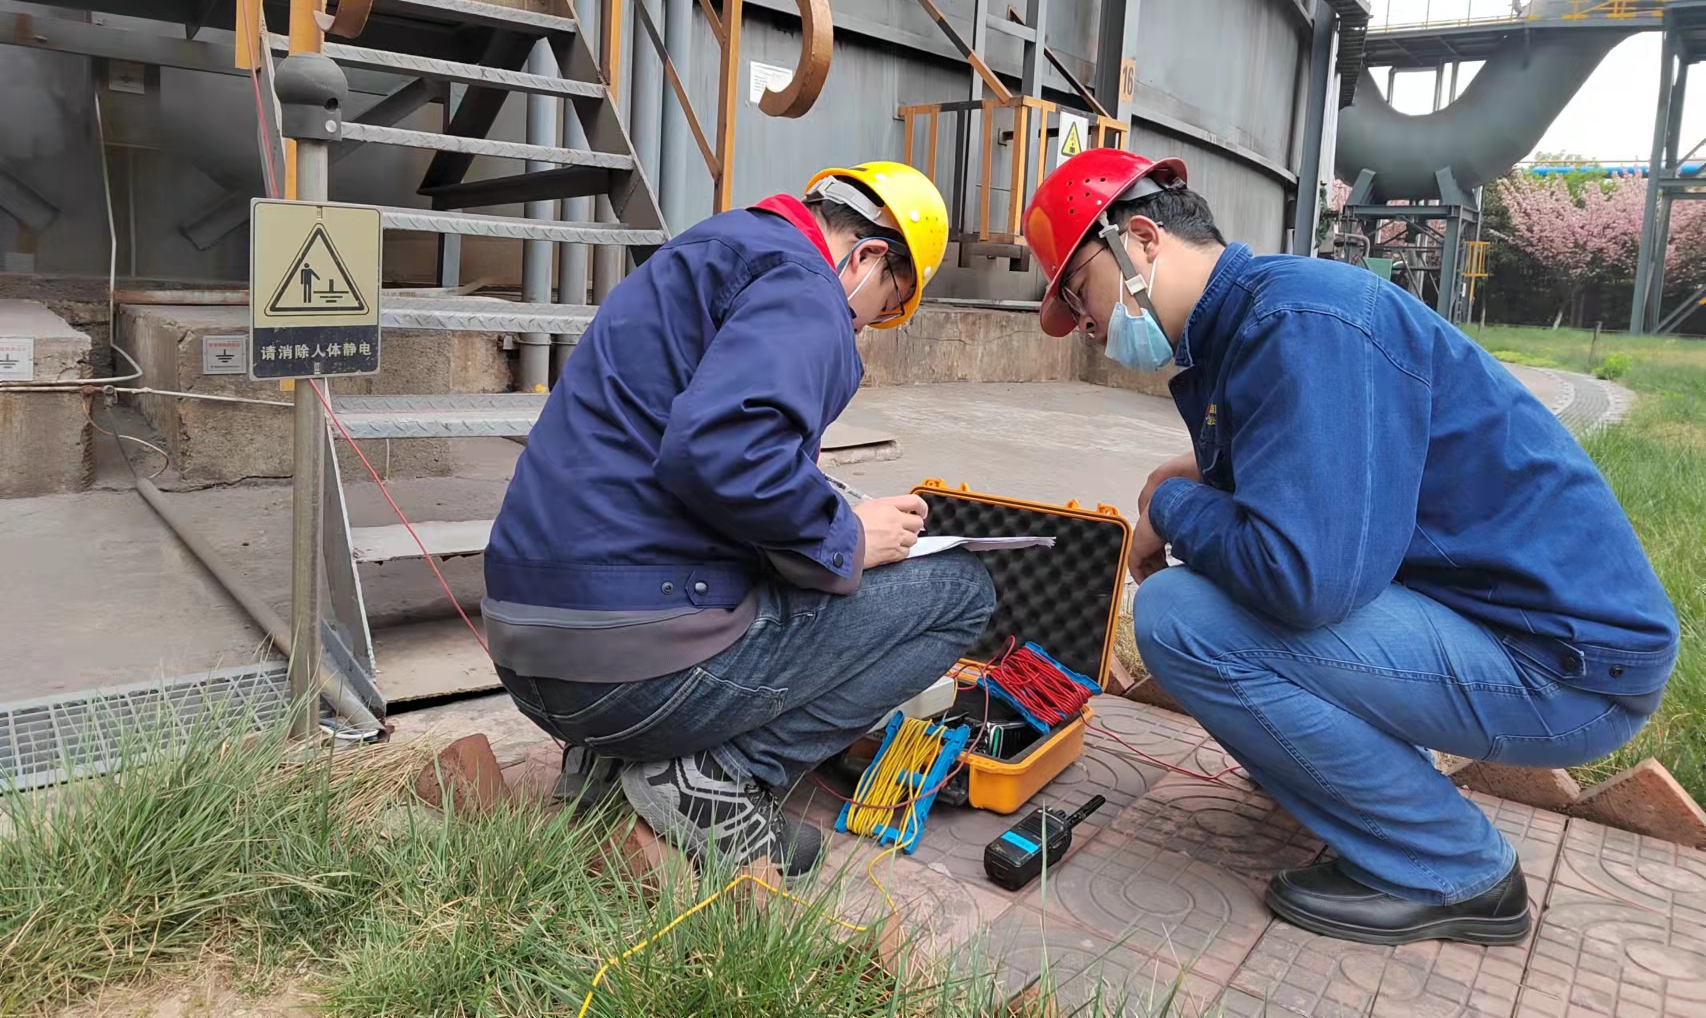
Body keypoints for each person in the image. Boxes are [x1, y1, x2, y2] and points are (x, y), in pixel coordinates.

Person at [1021, 147, 1677, 945]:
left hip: (1565, 668)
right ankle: (1347, 784)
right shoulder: (1263, 319)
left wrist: (1173, 505)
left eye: (1079, 293)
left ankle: (1457, 867)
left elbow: (1306, 580)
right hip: (1529, 630)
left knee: (1181, 615)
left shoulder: (1301, 323)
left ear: (1141, 240)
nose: (1088, 328)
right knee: (1220, 582)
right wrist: (1206, 473)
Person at [482, 162, 996, 875]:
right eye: (882, 307)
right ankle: (716, 775)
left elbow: (678, 451)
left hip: (528, 652)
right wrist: (848, 536)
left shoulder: (705, 250)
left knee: (780, 557)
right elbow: (725, 453)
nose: (862, 326)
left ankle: (608, 762)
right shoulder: (808, 291)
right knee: (962, 590)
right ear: (869, 256)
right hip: (623, 671)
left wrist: (814, 507)